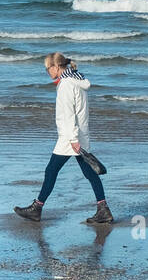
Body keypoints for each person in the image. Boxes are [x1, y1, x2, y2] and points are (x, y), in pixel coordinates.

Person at [15, 52, 113, 224]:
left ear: (56, 66)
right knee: (89, 172)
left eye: (48, 68)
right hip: (79, 134)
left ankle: (36, 208)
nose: (47, 72)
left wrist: (73, 139)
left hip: (70, 137)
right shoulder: (76, 80)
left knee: (51, 171)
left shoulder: (67, 85)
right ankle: (103, 210)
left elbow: (69, 115)